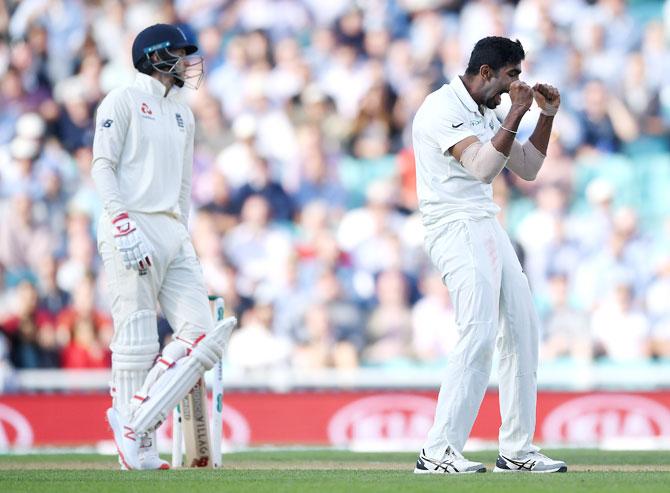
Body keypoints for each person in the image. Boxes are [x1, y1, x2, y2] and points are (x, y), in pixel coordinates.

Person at [411, 37, 566, 474]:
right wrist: (517, 112)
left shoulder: (488, 109)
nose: (517, 85)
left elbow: (529, 168)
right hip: (452, 226)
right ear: (485, 73)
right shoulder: (440, 109)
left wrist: (546, 117)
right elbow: (481, 167)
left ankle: (517, 450)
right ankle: (437, 451)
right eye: (511, 75)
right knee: (477, 332)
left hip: (484, 222)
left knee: (523, 329)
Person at [91, 24, 236, 470]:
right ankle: (142, 446)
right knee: (136, 342)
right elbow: (103, 164)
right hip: (130, 223)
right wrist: (120, 221)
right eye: (177, 52)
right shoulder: (121, 99)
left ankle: (132, 419)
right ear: (153, 56)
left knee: (201, 335)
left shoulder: (183, 113)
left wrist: (183, 230)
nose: (186, 61)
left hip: (172, 230)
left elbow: (185, 184)